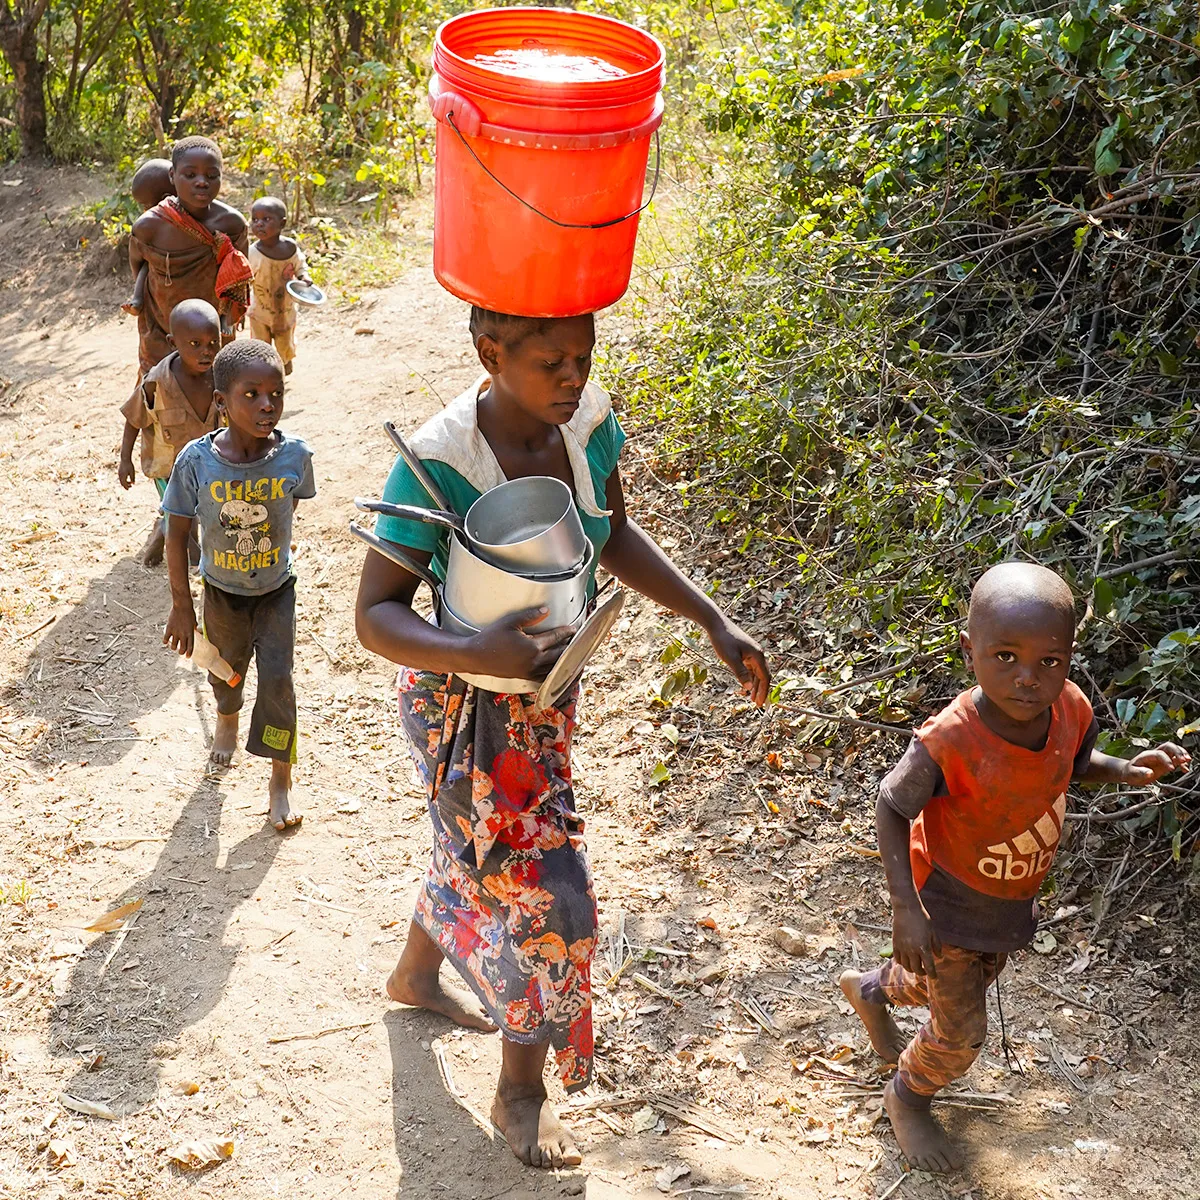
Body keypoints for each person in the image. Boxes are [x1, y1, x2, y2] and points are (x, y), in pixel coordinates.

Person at [355, 308, 771, 1170]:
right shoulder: (439, 462)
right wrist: (474, 650)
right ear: (489, 354)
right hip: (459, 706)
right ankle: (522, 1092)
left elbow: (610, 536)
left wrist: (713, 619)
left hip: (544, 695)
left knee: (483, 853)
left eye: (584, 357)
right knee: (556, 900)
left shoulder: (583, 424)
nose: (573, 377)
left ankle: (415, 976)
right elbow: (374, 617)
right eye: (552, 362)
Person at [840, 562, 1191, 1173]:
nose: (1028, 678)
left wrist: (1129, 768)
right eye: (1005, 656)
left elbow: (1073, 763)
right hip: (946, 898)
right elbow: (891, 807)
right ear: (968, 650)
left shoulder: (1071, 710)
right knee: (961, 1032)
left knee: (956, 986)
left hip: (1004, 899)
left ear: (1069, 656)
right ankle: (907, 1096)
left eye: (1049, 662)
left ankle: (870, 990)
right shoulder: (951, 739)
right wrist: (906, 910)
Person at [161, 340, 314, 831]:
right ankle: (227, 719)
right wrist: (182, 607)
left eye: (276, 393)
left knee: (278, 681)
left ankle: (279, 779)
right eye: (252, 394)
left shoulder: (295, 456)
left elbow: (289, 510)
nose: (267, 405)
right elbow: (177, 533)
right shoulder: (195, 462)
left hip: (276, 592)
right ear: (221, 400)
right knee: (225, 670)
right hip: (221, 592)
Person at [129, 135, 252, 377]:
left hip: (213, 332)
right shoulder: (149, 226)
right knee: (159, 389)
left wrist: (228, 317)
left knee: (216, 388)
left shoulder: (232, 223)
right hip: (162, 327)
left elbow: (240, 277)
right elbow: (137, 263)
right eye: (190, 175)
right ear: (172, 176)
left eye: (211, 175)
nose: (201, 182)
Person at [118, 299, 221, 566]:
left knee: (200, 509)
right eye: (195, 344)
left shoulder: (221, 378)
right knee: (182, 517)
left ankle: (162, 530)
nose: (206, 352)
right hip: (168, 467)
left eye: (213, 343)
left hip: (208, 464)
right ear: (173, 343)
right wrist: (125, 459)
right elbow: (134, 418)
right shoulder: (156, 382)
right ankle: (189, 549)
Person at [247, 197, 312, 376]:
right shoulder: (252, 252)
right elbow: (245, 275)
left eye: (266, 220)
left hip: (285, 307)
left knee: (284, 340)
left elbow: (300, 265)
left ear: (282, 223)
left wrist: (304, 277)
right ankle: (265, 370)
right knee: (260, 343)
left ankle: (286, 360)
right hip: (260, 307)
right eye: (255, 220)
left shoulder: (290, 248)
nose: (259, 224)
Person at [122, 159, 175, 318]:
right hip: (159, 265)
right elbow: (137, 260)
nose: (144, 210)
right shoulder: (148, 226)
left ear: (165, 198)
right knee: (147, 265)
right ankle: (137, 299)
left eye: (145, 205)